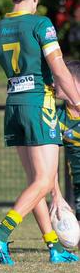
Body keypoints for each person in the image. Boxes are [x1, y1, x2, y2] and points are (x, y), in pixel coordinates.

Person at [0, 0, 79, 265]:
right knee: (44, 180)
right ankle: (1, 233)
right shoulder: (41, 24)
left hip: (13, 106)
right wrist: (77, 101)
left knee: (36, 182)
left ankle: (54, 247)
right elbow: (59, 69)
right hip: (38, 105)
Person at [57, 61, 80, 224]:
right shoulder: (57, 116)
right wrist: (56, 195)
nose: (53, 83)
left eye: (60, 79)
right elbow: (48, 163)